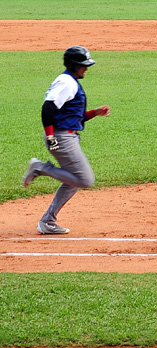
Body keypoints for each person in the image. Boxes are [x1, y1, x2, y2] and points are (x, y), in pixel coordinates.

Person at [22, 46, 111, 235]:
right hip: (61, 138)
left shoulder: (69, 81)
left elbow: (72, 116)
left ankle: (47, 221)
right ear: (74, 65)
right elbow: (48, 108)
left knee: (72, 181)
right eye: (83, 65)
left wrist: (94, 113)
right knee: (85, 179)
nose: (86, 68)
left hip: (67, 135)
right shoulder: (67, 82)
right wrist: (51, 136)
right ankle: (40, 168)